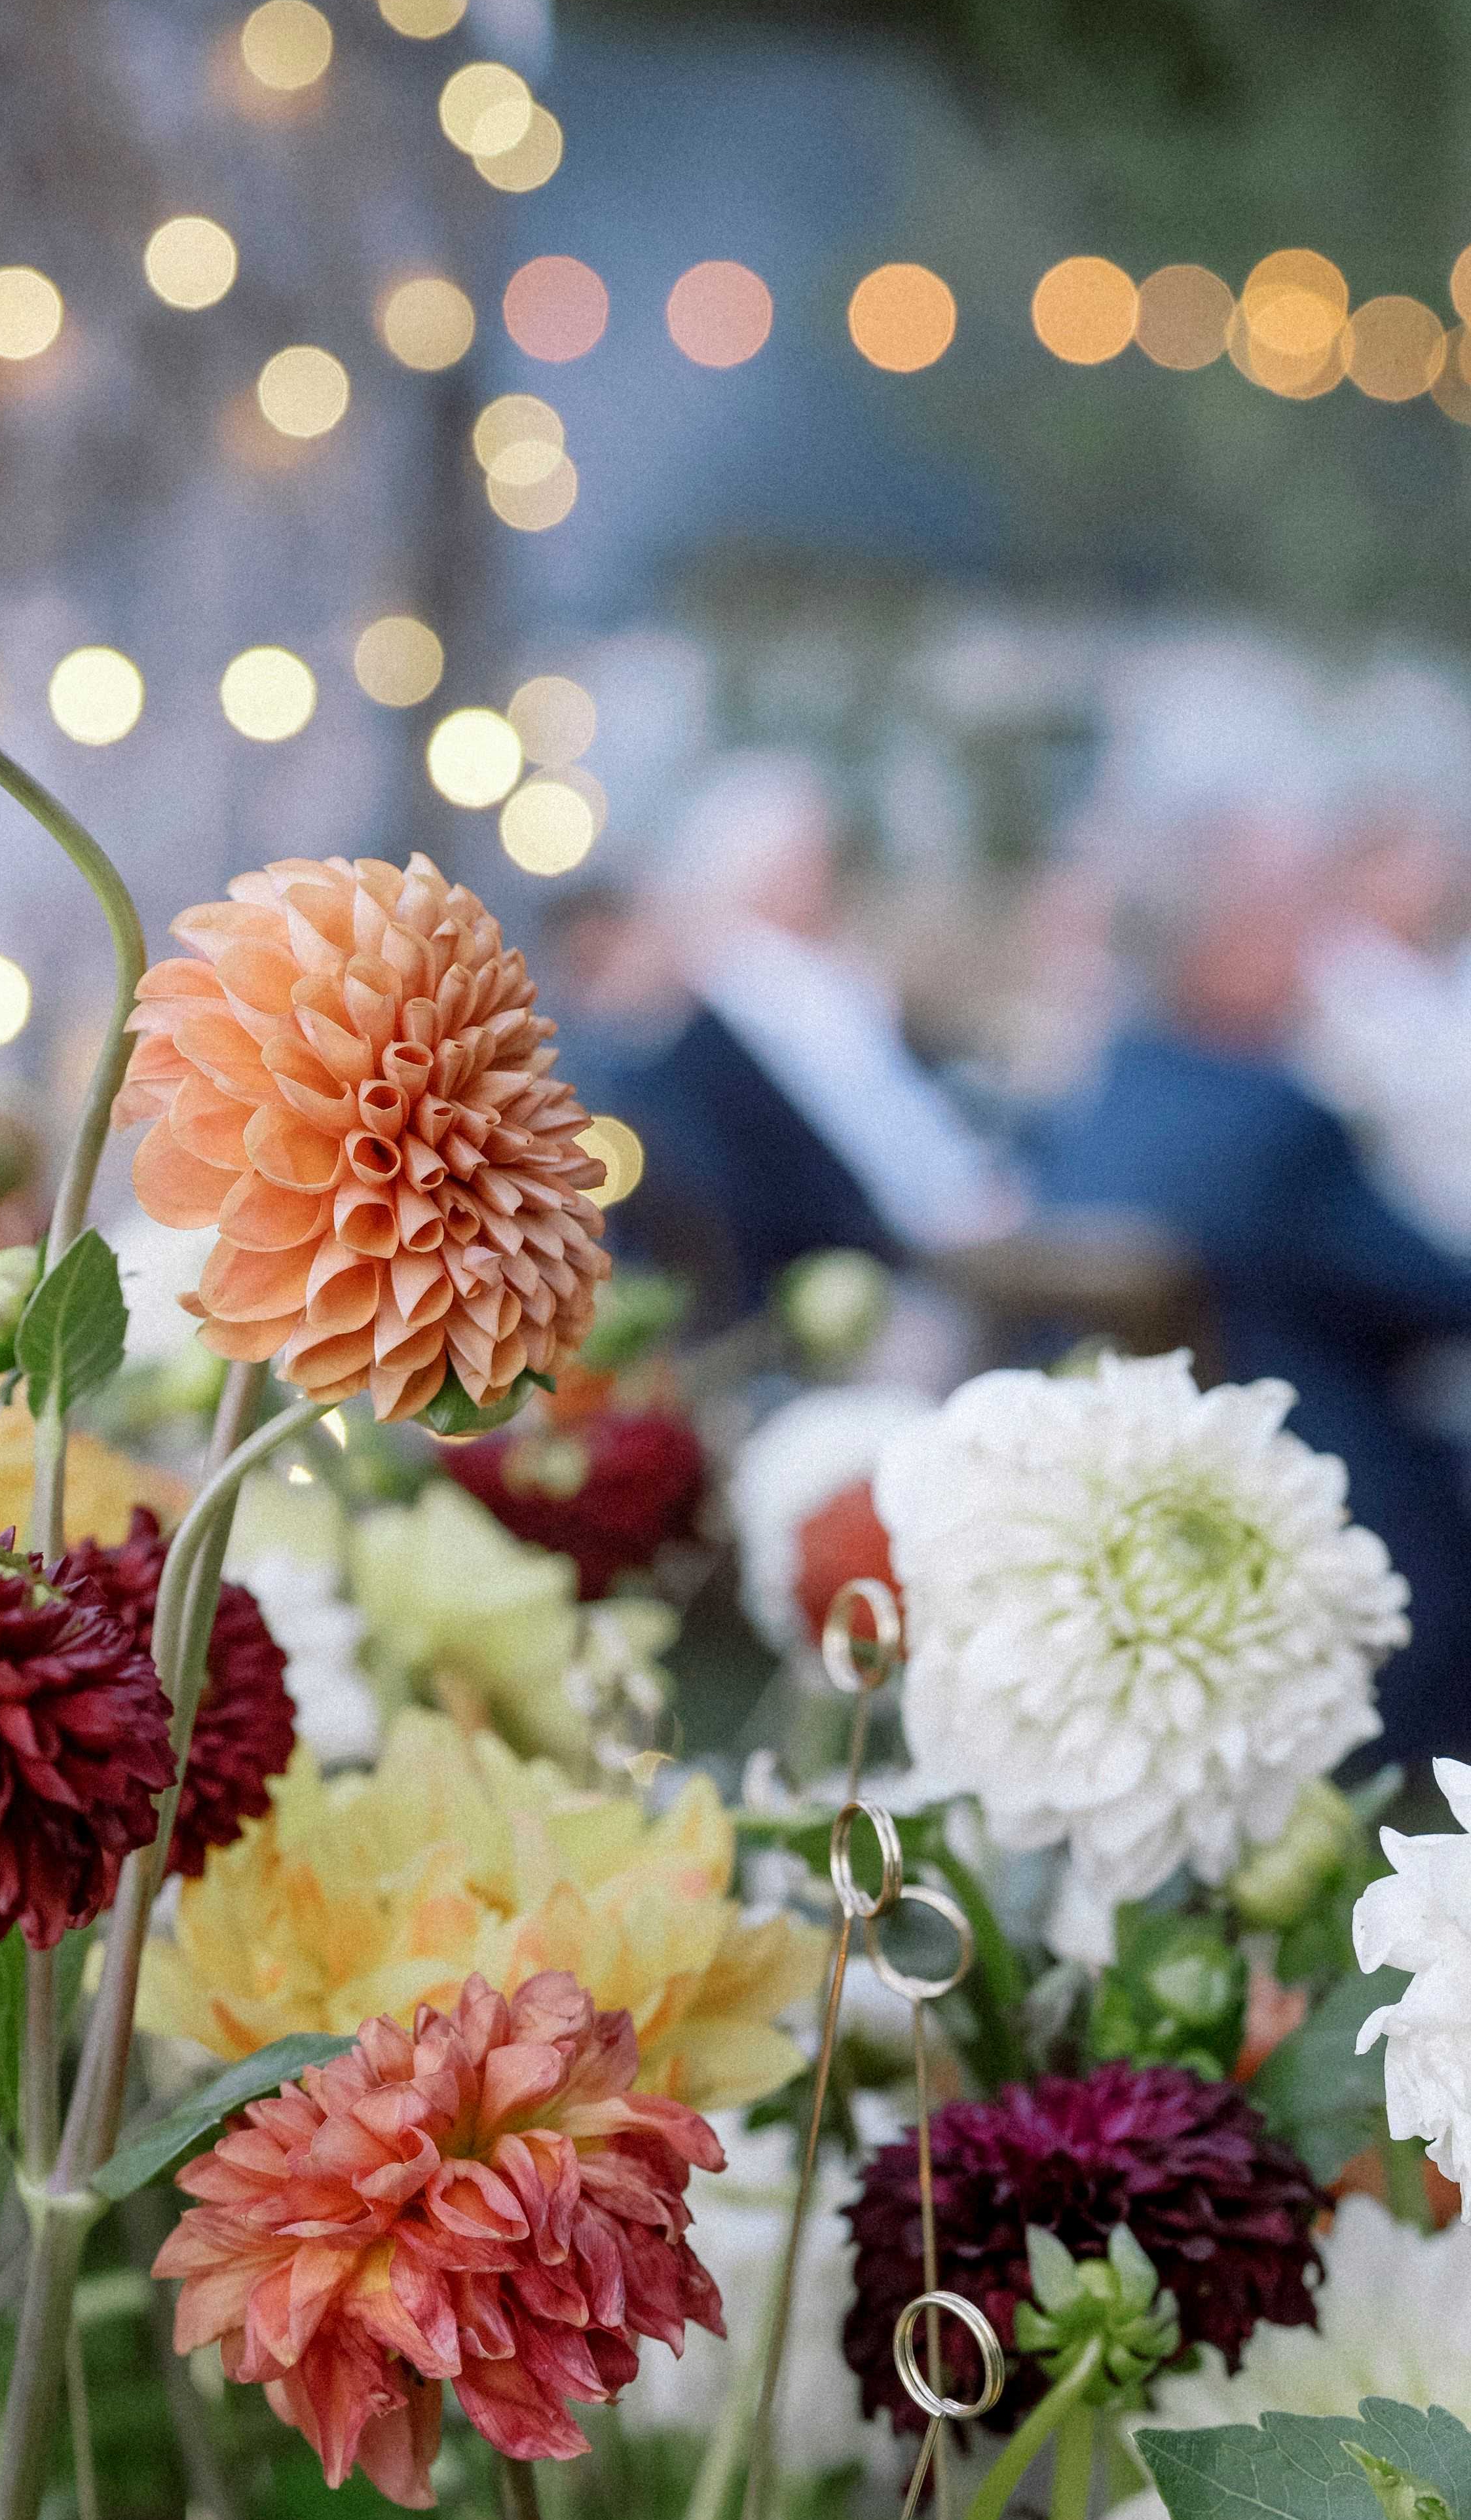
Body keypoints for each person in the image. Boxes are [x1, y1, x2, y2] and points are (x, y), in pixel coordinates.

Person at [1036, 804, 1471, 1762]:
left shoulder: (1116, 1086)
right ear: (1222, 951)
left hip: (1155, 1520)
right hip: (1347, 1533)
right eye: (1286, 925)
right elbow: (1438, 1295)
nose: (1311, 951)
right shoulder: (1276, 1124)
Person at [562, 752, 1018, 1320]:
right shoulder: (767, 987)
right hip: (854, 1272)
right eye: (811, 859)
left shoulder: (804, 980)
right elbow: (864, 1146)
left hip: (864, 1256)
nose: (827, 877)